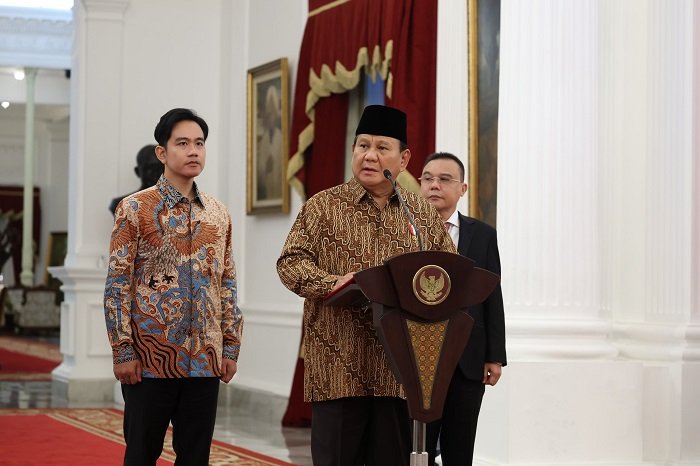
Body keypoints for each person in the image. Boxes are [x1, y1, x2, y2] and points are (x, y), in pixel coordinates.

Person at [277, 105, 455, 466]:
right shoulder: (322, 207)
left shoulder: (418, 214)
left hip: (398, 370)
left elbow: (446, 274)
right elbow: (289, 264)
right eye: (362, 146)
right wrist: (332, 282)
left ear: (403, 159)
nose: (369, 155)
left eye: (381, 148)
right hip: (338, 364)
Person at [103, 108, 243, 466]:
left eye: (199, 143)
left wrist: (230, 346)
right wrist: (122, 350)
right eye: (183, 143)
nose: (193, 151)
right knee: (141, 454)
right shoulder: (135, 209)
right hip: (151, 360)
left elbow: (227, 282)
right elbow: (118, 284)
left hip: (205, 360)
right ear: (162, 153)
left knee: (195, 457)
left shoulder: (218, 213)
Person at [419, 151, 506, 466]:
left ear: (462, 188)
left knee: (460, 446)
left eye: (444, 179)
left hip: (467, 357)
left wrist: (494, 355)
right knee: (418, 446)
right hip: (416, 356)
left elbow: (491, 294)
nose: (434, 186)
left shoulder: (481, 235)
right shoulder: (403, 230)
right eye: (427, 178)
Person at [108, 144, 164, 215]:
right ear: (137, 171)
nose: (155, 172)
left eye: (159, 167)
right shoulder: (121, 204)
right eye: (149, 168)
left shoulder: (177, 203)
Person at [256, 84, 283, 201]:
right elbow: (260, 167)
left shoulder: (281, 138)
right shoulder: (264, 140)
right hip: (268, 187)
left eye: (272, 116)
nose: (270, 119)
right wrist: (265, 168)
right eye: (268, 116)